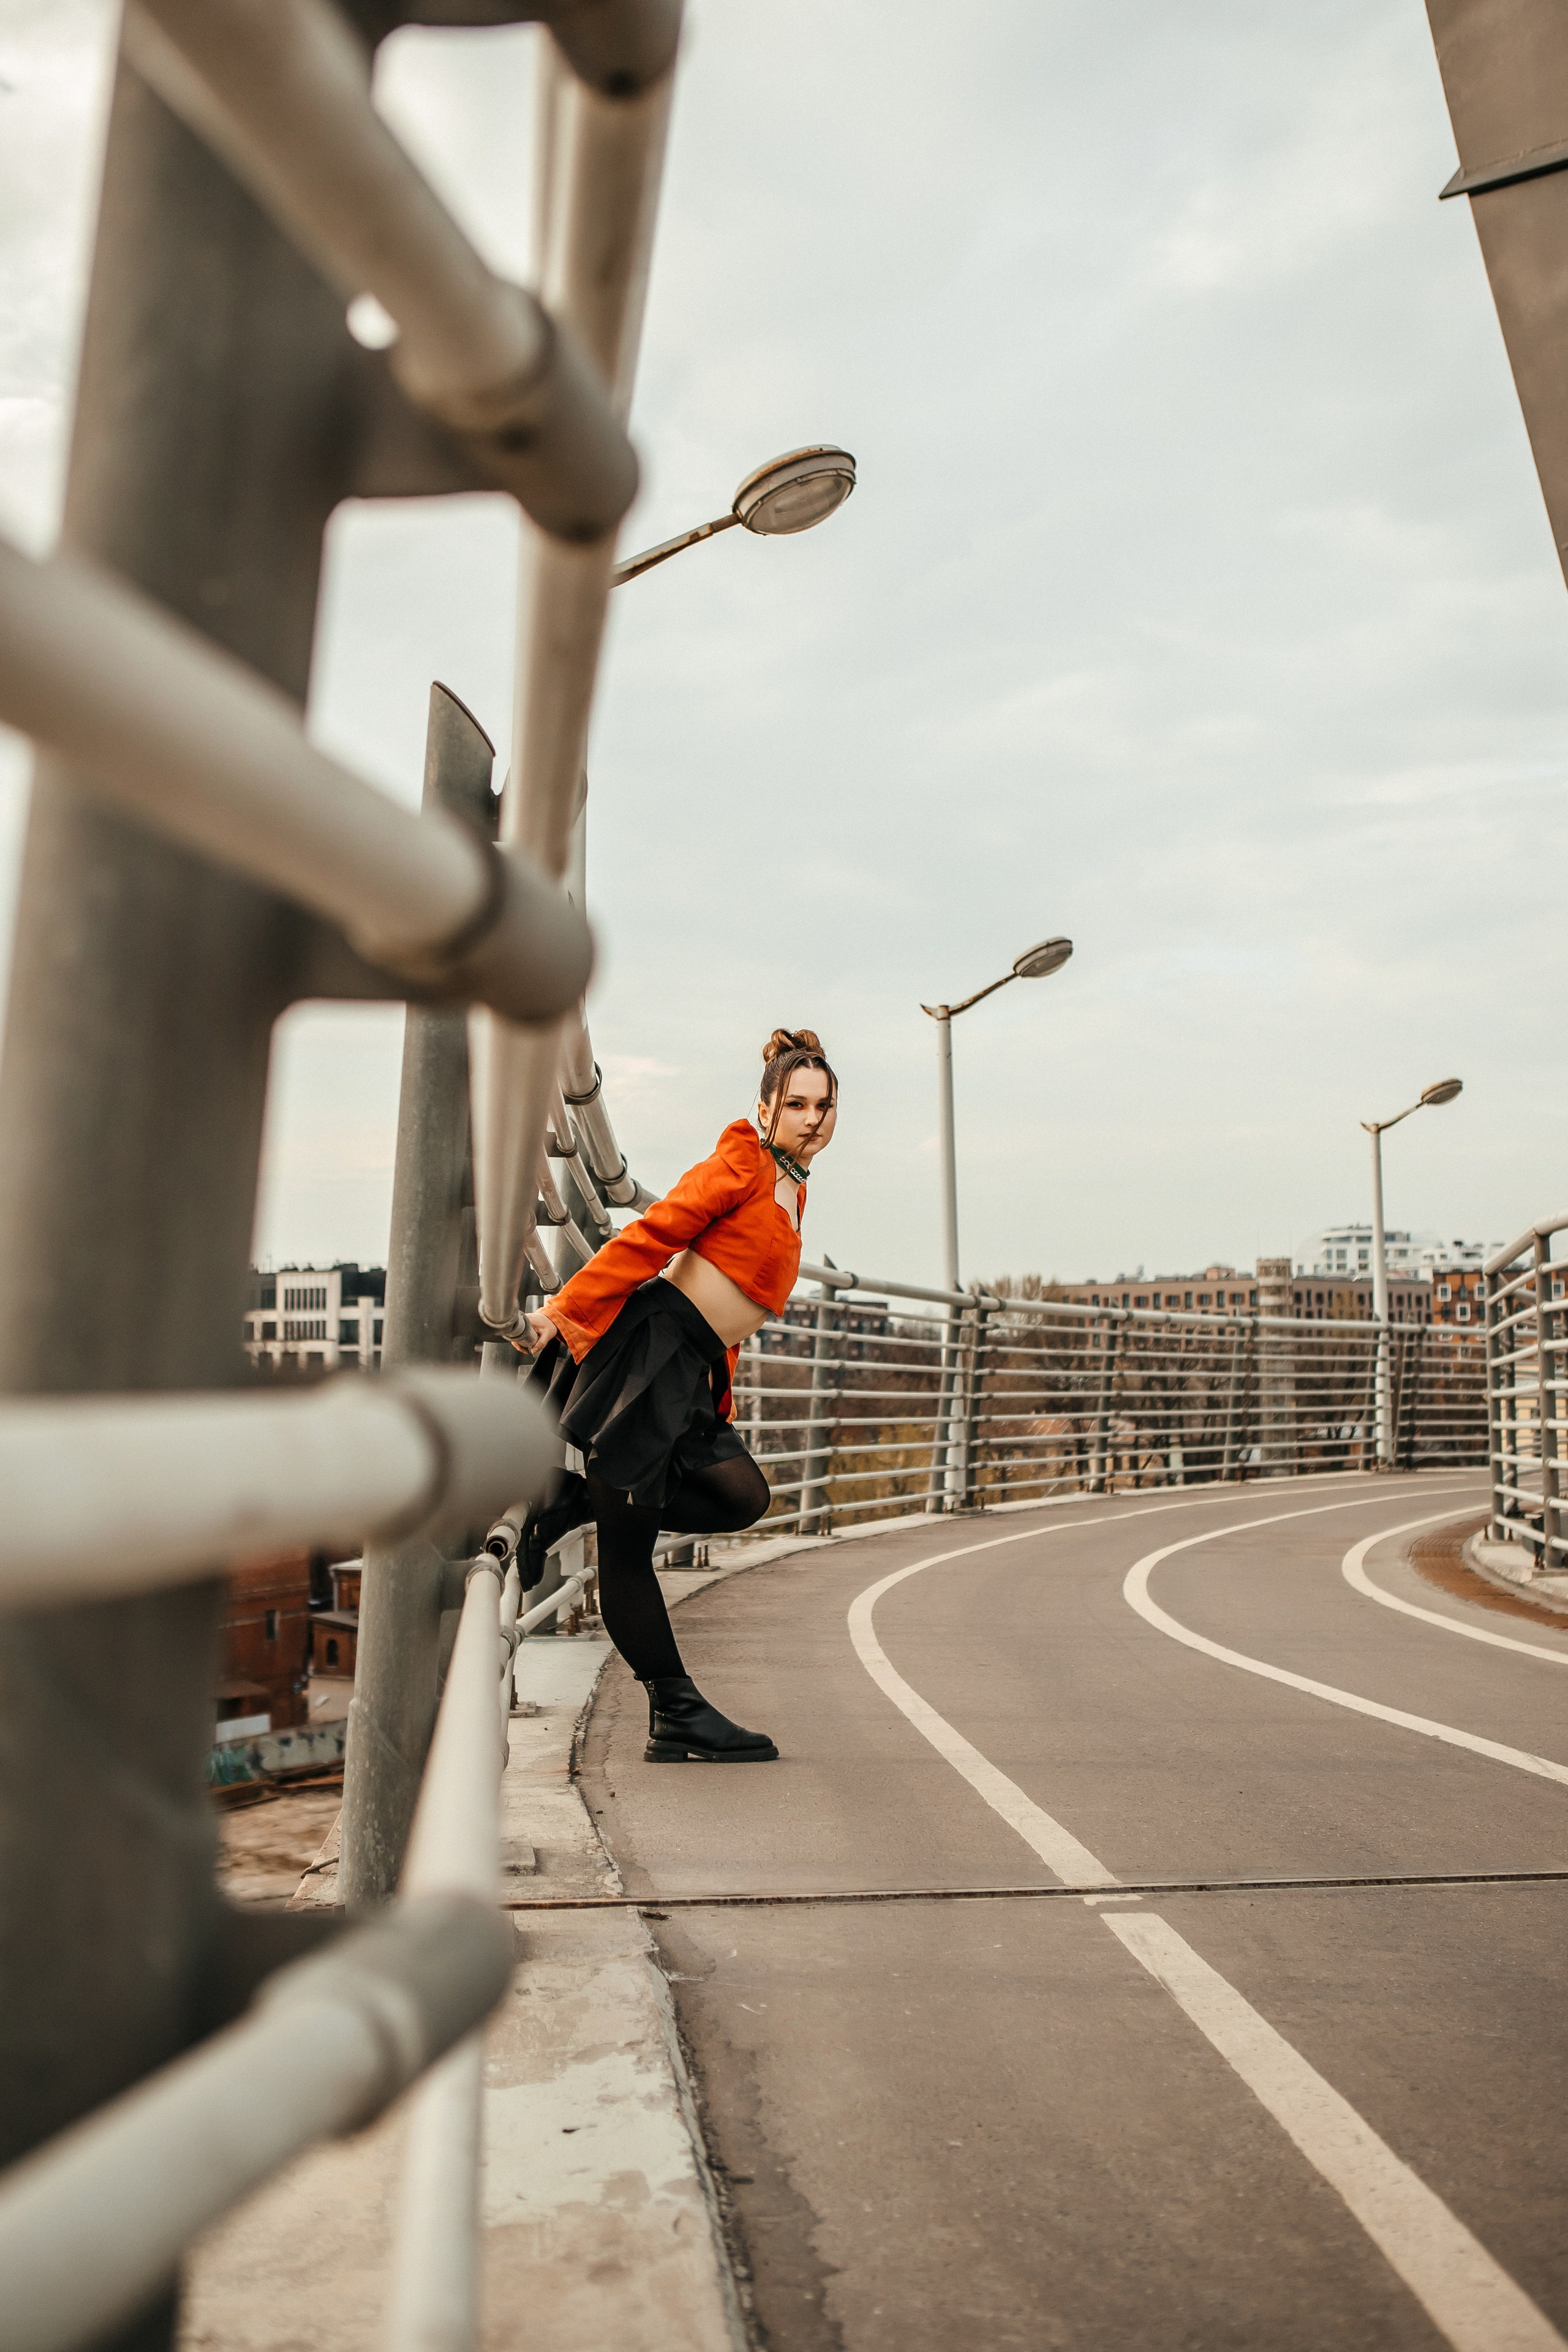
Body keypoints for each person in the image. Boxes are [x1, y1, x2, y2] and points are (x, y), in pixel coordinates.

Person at [514, 1028, 837, 1763]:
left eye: (823, 1105)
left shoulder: (794, 1185)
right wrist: (560, 1313)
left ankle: (578, 1500)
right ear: (765, 1111)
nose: (812, 1117)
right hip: (650, 1359)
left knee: (740, 1499)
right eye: (796, 1104)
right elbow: (653, 1236)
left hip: (690, 1376)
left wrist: (718, 1392)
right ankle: (675, 1709)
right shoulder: (743, 1159)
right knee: (628, 1552)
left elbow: (735, 1302)